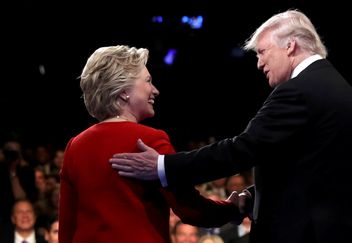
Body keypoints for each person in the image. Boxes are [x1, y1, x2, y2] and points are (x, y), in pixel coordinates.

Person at [109, 9, 352, 243]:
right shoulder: (339, 88)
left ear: (290, 46)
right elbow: (314, 173)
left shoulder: (299, 91)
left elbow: (242, 149)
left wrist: (162, 166)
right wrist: (255, 198)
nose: (259, 63)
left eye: (262, 52)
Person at [59, 45, 246, 243]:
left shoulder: (75, 146)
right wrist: (231, 209)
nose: (155, 90)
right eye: (148, 81)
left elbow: (67, 225)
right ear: (124, 92)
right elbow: (190, 210)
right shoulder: (150, 140)